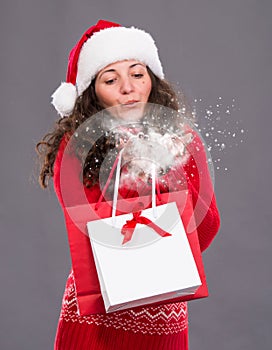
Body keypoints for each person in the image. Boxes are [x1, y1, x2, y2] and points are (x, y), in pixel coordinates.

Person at [36, 19, 220, 350]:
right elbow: (93, 230)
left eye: (137, 74)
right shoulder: (76, 145)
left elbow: (205, 230)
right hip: (96, 320)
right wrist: (133, 174)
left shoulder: (183, 140)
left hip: (162, 314)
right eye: (111, 79)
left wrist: (170, 171)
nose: (128, 87)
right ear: (93, 93)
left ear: (152, 79)